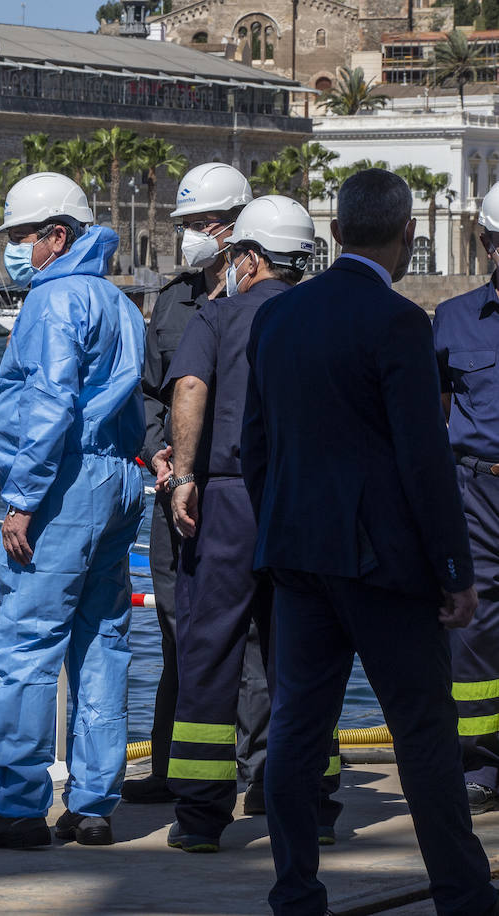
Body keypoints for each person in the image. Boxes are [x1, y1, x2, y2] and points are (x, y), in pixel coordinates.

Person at [243, 168, 498, 916]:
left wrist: (279, 530)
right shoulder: (398, 324)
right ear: (408, 237)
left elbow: (256, 448)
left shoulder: (275, 320)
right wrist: (454, 570)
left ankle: (295, 891)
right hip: (385, 566)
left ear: (334, 233)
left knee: (297, 726)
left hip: (297, 558)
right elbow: (424, 459)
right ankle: (462, 892)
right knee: (423, 730)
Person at [0, 172, 145, 849]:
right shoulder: (119, 303)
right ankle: (93, 804)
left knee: (28, 647)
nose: (12, 250)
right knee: (103, 644)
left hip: (64, 482)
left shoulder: (51, 302)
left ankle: (16, 805)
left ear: (55, 237)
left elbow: (48, 406)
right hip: (120, 477)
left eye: (19, 237)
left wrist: (21, 500)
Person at [161, 195, 340, 853]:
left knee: (210, 651)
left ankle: (203, 817)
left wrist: (182, 473)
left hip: (231, 498)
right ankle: (314, 801)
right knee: (303, 652)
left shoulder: (217, 315)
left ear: (251, 258)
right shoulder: (322, 316)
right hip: (304, 499)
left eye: (237, 255)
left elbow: (189, 389)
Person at [128, 162, 267, 807]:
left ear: (235, 228)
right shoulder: (175, 301)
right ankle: (175, 767)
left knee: (259, 637)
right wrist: (159, 452)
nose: (189, 237)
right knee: (179, 632)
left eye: (200, 225)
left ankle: (260, 768)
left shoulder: (264, 296)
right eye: (183, 225)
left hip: (242, 488)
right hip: (174, 494)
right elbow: (152, 391)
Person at [434, 182, 499, 819]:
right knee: (475, 629)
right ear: (486, 243)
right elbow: (429, 416)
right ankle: (479, 763)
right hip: (477, 488)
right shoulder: (452, 319)